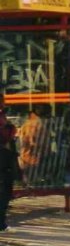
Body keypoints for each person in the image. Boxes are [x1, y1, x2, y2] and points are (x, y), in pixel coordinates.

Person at [0, 95, 19, 233]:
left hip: (6, 157)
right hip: (4, 157)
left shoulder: (3, 115)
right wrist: (10, 130)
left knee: (6, 191)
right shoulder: (2, 117)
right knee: (4, 191)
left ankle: (2, 221)